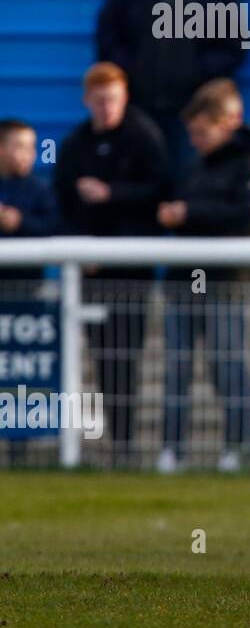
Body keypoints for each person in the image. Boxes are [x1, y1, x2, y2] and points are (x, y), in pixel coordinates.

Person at [157, 80, 250, 474]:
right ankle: (172, 451)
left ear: (228, 122)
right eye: (192, 133)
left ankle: (239, 450)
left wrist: (189, 214)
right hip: (186, 280)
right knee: (177, 366)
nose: (195, 140)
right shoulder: (199, 166)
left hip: (236, 283)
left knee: (232, 365)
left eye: (202, 132)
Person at [54, 63, 170, 466]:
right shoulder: (75, 145)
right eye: (100, 100)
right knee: (100, 356)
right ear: (87, 100)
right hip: (90, 272)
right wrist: (81, 251)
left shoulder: (144, 137)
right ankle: (104, 443)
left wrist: (111, 194)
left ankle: (126, 443)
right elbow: (63, 205)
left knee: (126, 355)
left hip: (132, 271)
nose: (107, 108)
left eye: (114, 99)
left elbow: (159, 191)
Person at [95, 0, 248, 177]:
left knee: (194, 178)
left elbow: (238, 43)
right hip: (140, 104)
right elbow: (107, 35)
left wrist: (198, 74)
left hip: (196, 109)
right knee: (142, 177)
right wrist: (131, 72)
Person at [0, 119, 58, 287]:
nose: (29, 154)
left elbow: (53, 227)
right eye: (20, 146)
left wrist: (20, 221)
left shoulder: (41, 190)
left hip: (28, 287)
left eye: (31, 147)